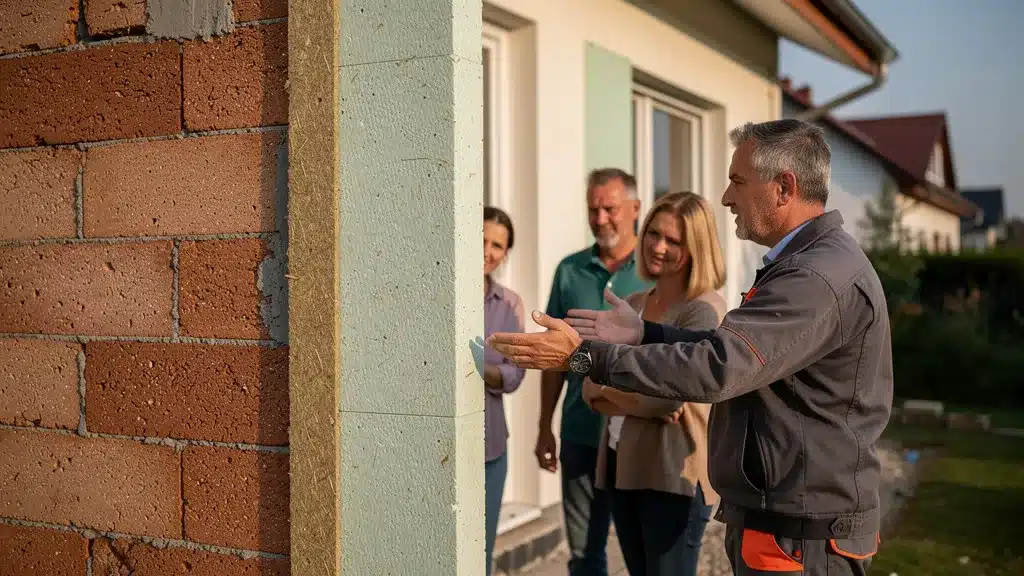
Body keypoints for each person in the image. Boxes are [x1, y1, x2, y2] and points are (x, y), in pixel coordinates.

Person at [488, 119, 894, 576]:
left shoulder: (815, 278)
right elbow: (728, 350)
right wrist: (647, 334)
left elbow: (718, 368)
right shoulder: (808, 265)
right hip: (787, 526)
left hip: (801, 535)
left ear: (784, 187)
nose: (726, 197)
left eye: (738, 182)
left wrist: (584, 357)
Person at [582, 191, 727, 576]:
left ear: (696, 248)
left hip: (670, 475)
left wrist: (609, 389)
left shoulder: (704, 310)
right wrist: (632, 393)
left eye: (673, 240)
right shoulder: (632, 303)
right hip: (619, 464)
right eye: (653, 234)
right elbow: (587, 386)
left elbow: (666, 399)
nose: (657, 247)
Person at [538, 168, 652, 576]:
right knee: (585, 555)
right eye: (593, 209)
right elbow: (553, 356)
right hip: (581, 431)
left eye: (610, 208)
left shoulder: (656, 270)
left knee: (645, 555)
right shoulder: (569, 271)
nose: (600, 218)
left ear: (635, 209)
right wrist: (543, 427)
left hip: (640, 434)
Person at [481, 206, 527, 576]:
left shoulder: (509, 304)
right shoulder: (442, 296)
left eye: (497, 245)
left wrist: (479, 370)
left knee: (480, 553)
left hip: (491, 445)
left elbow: (515, 375)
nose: (487, 251)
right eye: (481, 239)